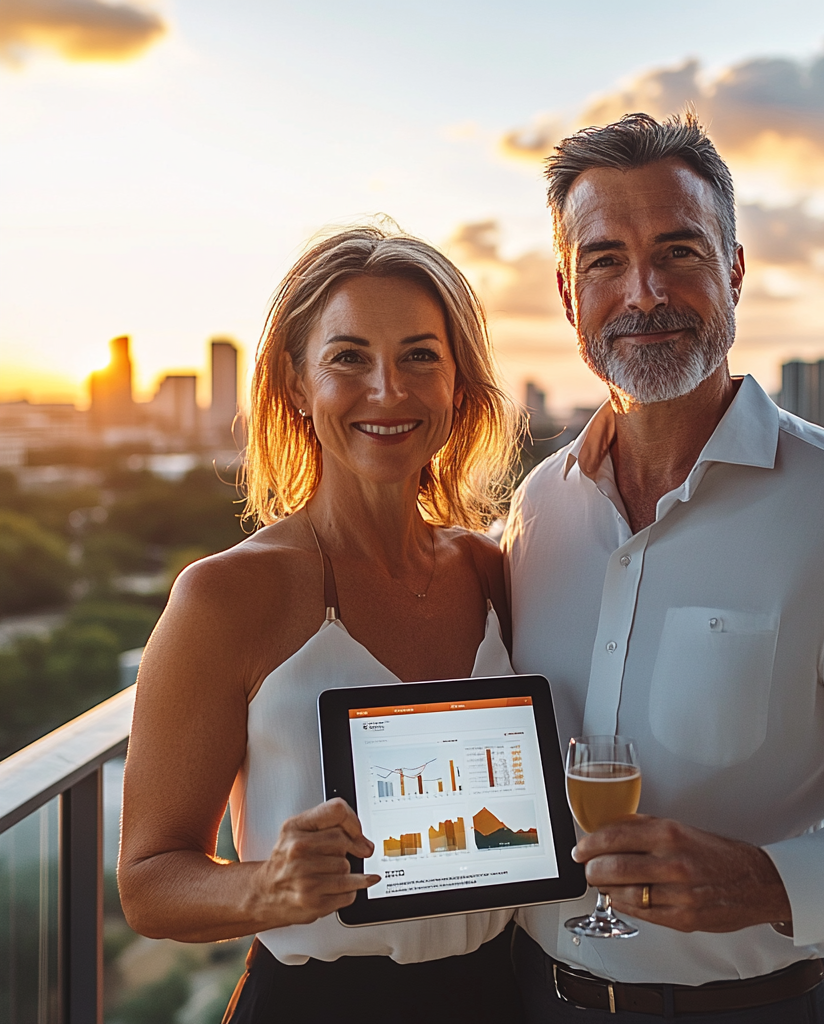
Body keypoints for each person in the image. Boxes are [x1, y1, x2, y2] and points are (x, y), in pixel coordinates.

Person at [503, 112, 824, 1023]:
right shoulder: (536, 508)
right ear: (565, 290)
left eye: (681, 250)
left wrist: (772, 883)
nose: (644, 292)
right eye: (604, 262)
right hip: (526, 997)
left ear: (735, 268)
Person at [118, 226, 527, 1023]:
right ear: (297, 387)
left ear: (459, 388)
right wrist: (266, 885)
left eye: (420, 356)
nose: (387, 389)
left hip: (504, 994)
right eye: (348, 357)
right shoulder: (224, 597)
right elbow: (149, 885)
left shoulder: (496, 572)